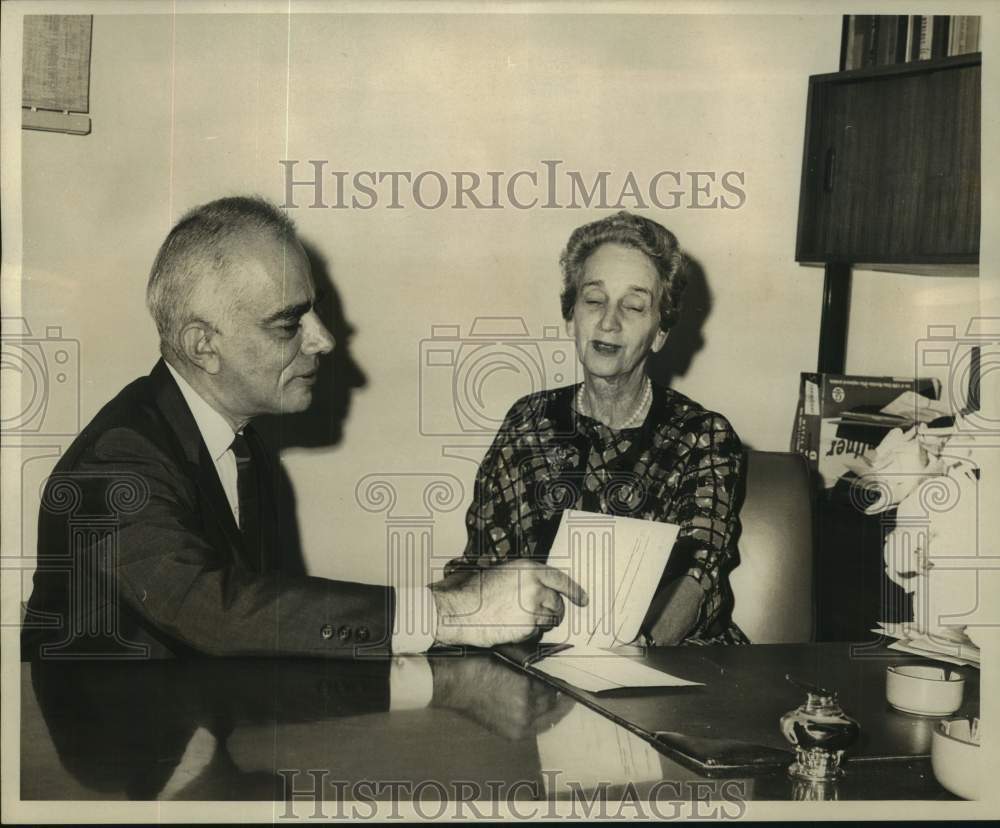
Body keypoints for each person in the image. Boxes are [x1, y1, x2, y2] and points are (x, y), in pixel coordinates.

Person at [21, 195, 586, 660]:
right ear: (203, 345)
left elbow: (270, 616)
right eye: (290, 323)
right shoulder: (116, 462)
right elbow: (215, 612)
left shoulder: (243, 448)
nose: (323, 340)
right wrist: (453, 614)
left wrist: (444, 600)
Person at [448, 211, 748, 646]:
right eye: (594, 300)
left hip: (669, 663)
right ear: (571, 316)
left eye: (634, 305)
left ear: (660, 331)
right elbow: (483, 559)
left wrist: (638, 652)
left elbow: (699, 574)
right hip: (537, 659)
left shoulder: (704, 436)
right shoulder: (527, 422)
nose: (609, 322)